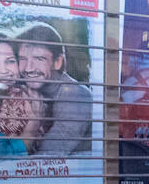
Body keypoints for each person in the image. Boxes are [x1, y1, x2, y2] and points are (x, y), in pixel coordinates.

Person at [15, 22, 92, 156]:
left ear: (58, 62)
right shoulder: (30, 92)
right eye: (22, 59)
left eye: (39, 59)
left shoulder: (76, 96)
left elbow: (47, 159)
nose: (28, 68)